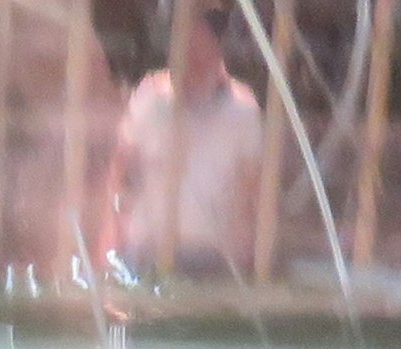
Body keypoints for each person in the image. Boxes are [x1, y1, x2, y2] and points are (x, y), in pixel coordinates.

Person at [102, 0, 275, 280]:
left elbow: (251, 193)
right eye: (184, 49)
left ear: (217, 52)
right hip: (146, 250)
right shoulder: (150, 98)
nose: (190, 60)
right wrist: (110, 240)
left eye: (199, 51)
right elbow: (120, 173)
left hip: (209, 256)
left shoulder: (241, 111)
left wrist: (246, 250)